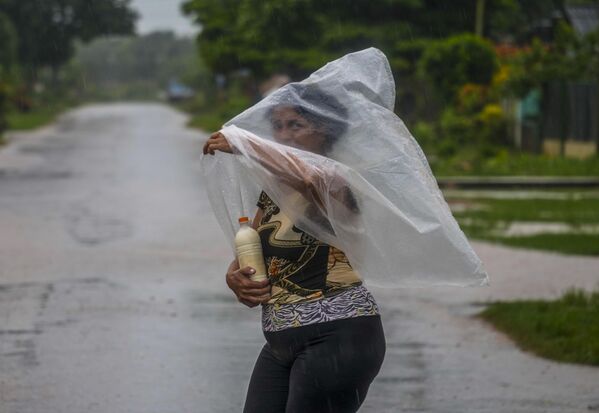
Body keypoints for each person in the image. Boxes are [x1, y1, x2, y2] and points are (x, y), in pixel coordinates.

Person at [203, 85, 386, 413]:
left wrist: (249, 147)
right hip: (280, 341)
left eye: (295, 125)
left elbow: (311, 180)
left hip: (339, 337)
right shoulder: (274, 189)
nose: (283, 135)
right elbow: (250, 253)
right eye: (277, 126)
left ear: (325, 131)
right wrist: (236, 280)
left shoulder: (337, 180)